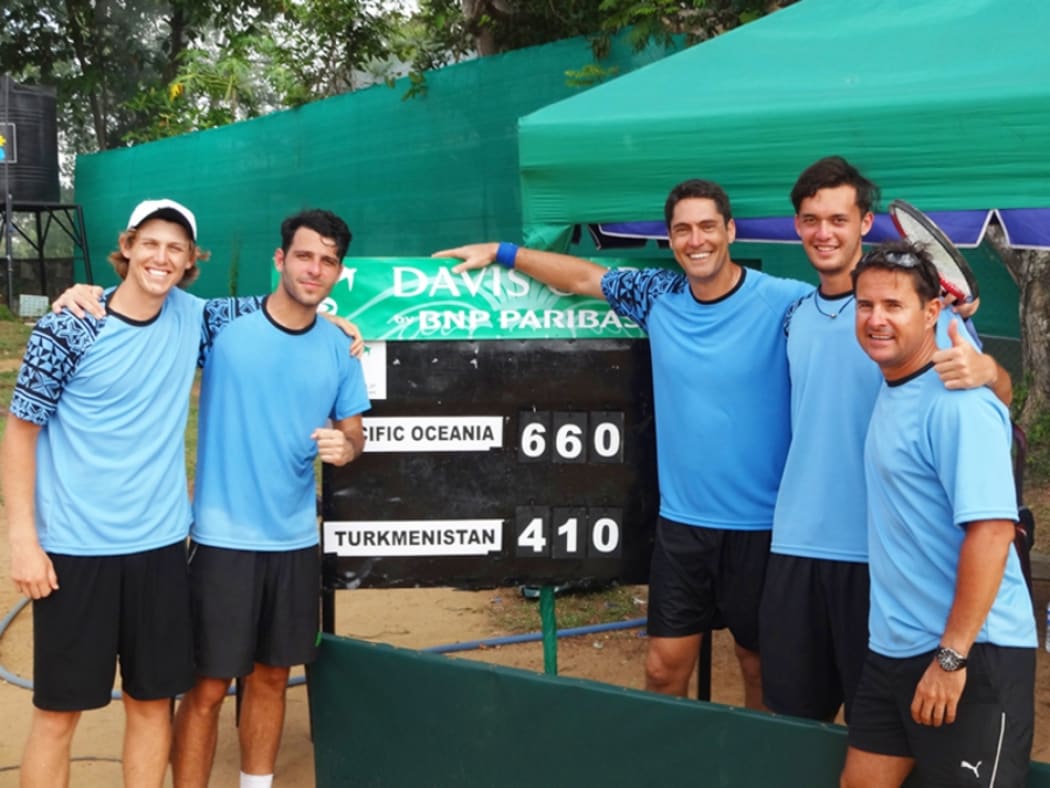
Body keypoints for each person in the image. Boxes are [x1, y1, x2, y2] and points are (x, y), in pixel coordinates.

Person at [434, 179, 812, 706]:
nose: (695, 240)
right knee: (662, 671)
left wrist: (969, 352)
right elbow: (584, 276)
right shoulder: (657, 294)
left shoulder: (790, 304)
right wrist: (504, 252)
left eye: (707, 226)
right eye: (682, 230)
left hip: (765, 529)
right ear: (670, 239)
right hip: (683, 528)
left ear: (729, 230)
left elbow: (868, 317)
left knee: (760, 668)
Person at [0, 199, 258, 787]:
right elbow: (18, 436)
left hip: (161, 548)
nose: (161, 257)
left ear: (191, 260)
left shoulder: (196, 319)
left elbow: (282, 313)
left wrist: (338, 320)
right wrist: (24, 541)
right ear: (128, 247)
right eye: (150, 243)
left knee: (151, 703)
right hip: (73, 551)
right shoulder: (71, 323)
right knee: (58, 713)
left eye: (175, 247)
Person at [759, 156, 1011, 723]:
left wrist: (993, 373)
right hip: (794, 550)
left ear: (865, 223)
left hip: (882, 559)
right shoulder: (795, 314)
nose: (825, 232)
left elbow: (995, 397)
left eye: (839, 218)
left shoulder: (921, 318)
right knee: (792, 723)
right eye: (811, 219)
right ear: (797, 227)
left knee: (884, 731)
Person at [170, 209, 369, 788]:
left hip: (293, 540)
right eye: (304, 256)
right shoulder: (222, 326)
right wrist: (84, 291)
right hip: (220, 538)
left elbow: (354, 431)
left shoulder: (338, 346)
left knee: (272, 676)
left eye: (327, 261)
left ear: (338, 272)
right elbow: (146, 298)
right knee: (206, 685)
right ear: (280, 260)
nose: (315, 269)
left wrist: (346, 445)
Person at [840, 240, 1035, 787]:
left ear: (932, 312)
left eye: (894, 306)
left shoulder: (957, 405)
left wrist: (951, 660)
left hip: (972, 656)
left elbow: (993, 533)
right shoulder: (897, 388)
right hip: (894, 651)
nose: (876, 319)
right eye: (865, 305)